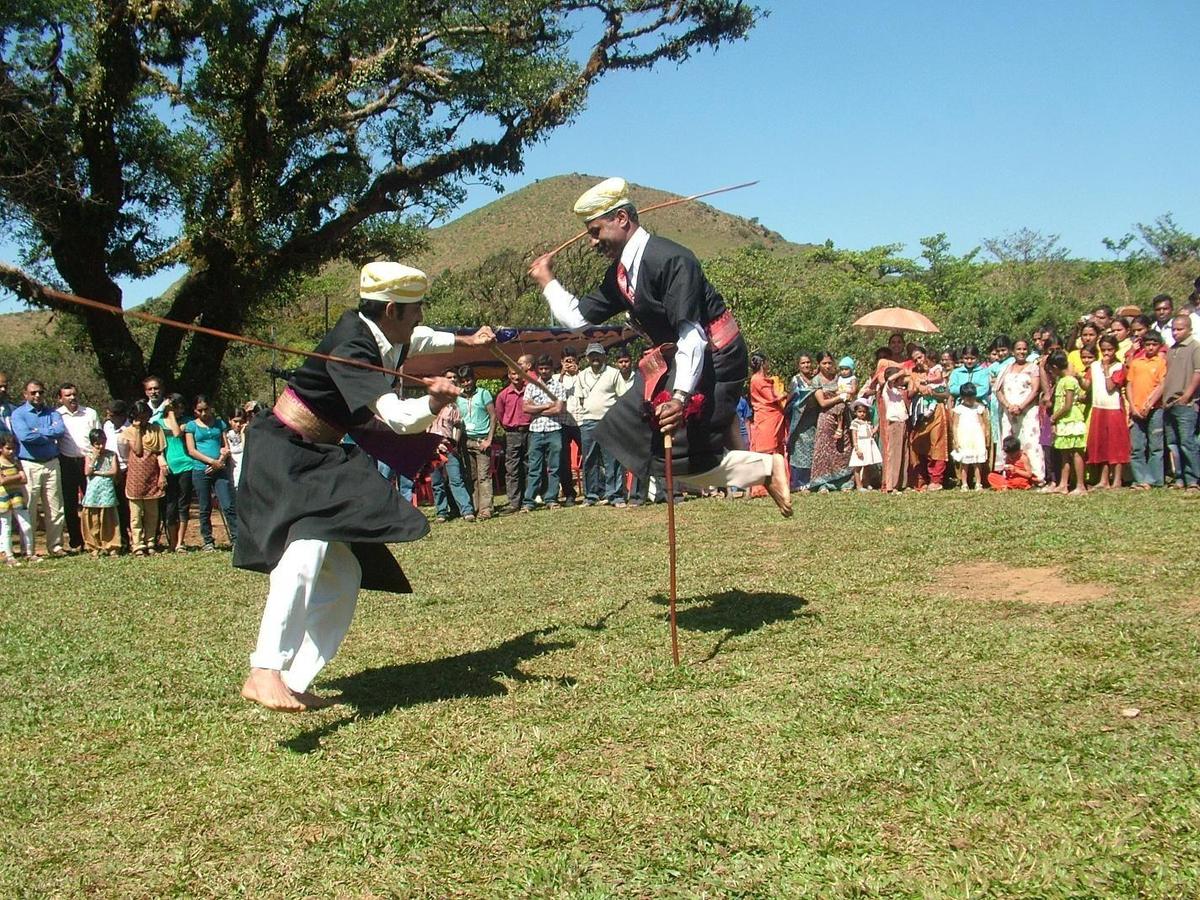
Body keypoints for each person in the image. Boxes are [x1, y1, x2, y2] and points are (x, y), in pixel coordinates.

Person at [238, 261, 489, 712]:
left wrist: (465, 339)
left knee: (345, 572)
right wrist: (432, 401)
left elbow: (424, 336)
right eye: (415, 310)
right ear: (392, 309)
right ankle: (264, 670)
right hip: (284, 449)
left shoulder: (386, 330)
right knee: (307, 547)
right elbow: (392, 414)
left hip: (319, 452)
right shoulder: (353, 345)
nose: (419, 318)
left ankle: (293, 681)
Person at [528, 177, 790, 514]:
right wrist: (548, 282)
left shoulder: (673, 260)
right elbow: (579, 318)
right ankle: (763, 470)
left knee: (684, 460)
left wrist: (679, 398)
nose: (593, 242)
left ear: (621, 219)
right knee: (624, 433)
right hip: (676, 359)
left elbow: (693, 335)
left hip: (715, 357)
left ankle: (768, 469)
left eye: (596, 231)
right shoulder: (620, 275)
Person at [10, 380, 67, 557]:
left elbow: (59, 431)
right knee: (29, 507)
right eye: (33, 392)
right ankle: (29, 549)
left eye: (40, 392)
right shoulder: (18, 414)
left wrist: (37, 431)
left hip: (51, 463)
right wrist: (46, 433)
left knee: (55, 506)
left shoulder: (52, 413)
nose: (37, 396)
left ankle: (55, 546)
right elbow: (24, 436)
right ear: (25, 394)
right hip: (29, 464)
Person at [183, 395, 236, 551]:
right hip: (201, 469)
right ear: (195, 411)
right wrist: (210, 462)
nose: (204, 413)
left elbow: (226, 446)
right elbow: (192, 450)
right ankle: (208, 541)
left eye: (206, 409)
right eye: (200, 410)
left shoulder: (219, 424)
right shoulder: (191, 426)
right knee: (204, 507)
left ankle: (236, 538)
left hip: (219, 469)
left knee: (228, 504)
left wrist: (219, 461)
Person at [576, 343, 626, 505]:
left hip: (609, 421)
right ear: (587, 358)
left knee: (612, 460)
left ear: (604, 356)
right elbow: (581, 399)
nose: (595, 358)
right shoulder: (581, 375)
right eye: (591, 355)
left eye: (598, 355)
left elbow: (623, 397)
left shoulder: (614, 373)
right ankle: (591, 495)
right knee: (590, 460)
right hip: (588, 421)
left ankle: (615, 495)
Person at [55, 383, 100, 552]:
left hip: (88, 461)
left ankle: (93, 539)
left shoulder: (90, 413)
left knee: (91, 502)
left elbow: (99, 437)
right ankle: (76, 541)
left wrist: (95, 460)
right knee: (70, 503)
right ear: (60, 398)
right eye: (67, 395)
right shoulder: (57, 415)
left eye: (74, 394)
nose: (72, 397)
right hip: (66, 462)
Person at [1083, 335, 1131, 489]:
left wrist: (1106, 370)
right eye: (1103, 349)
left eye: (1109, 349)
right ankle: (1103, 479)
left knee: (1116, 444)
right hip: (1099, 407)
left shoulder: (1119, 367)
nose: (1106, 353)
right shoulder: (1094, 366)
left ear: (1115, 349)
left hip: (1114, 409)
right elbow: (1087, 385)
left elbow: (1111, 387)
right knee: (1101, 443)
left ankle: (1117, 479)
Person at [120, 400, 167, 555]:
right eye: (139, 416)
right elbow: (138, 450)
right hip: (135, 476)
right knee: (135, 515)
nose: (143, 419)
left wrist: (162, 474)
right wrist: (138, 429)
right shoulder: (129, 431)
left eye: (145, 415)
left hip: (153, 474)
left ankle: (151, 542)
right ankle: (138, 545)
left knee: (152, 514)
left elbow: (160, 452)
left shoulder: (156, 429)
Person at [521, 354, 567, 512]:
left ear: (551, 369)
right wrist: (547, 406)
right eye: (541, 369)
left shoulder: (559, 386)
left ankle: (551, 498)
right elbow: (526, 408)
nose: (544, 371)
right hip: (536, 431)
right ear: (537, 370)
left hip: (554, 430)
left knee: (554, 467)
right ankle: (529, 501)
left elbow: (559, 409)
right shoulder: (531, 386)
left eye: (547, 368)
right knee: (534, 467)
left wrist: (537, 409)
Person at [429, 369, 475, 522]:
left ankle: (467, 511)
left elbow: (458, 426)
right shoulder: (429, 401)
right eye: (448, 377)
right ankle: (442, 512)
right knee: (437, 482)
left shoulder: (453, 406)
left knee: (456, 479)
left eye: (454, 377)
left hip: (449, 446)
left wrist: (455, 443)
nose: (452, 380)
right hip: (431, 448)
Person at [995, 339, 1044, 482]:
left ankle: (1035, 476)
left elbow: (1035, 390)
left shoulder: (1033, 368)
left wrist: (1021, 406)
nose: (1021, 352)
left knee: (1030, 441)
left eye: (1024, 349)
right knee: (1008, 440)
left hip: (1027, 411)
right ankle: (1010, 475)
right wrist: (1008, 405)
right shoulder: (1006, 368)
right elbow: (997, 390)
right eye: (1018, 349)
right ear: (1013, 351)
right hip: (1009, 412)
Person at [152, 394, 195, 552]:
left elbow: (176, 433)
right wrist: (161, 460)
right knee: (170, 506)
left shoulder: (187, 422)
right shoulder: (157, 423)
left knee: (183, 505)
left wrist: (171, 415)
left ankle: (180, 543)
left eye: (181, 407)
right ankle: (172, 541)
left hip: (186, 465)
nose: (179, 409)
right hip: (168, 468)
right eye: (176, 406)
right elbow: (157, 447)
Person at [1162, 314, 1200, 489]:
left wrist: (1187, 396)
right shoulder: (1172, 349)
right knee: (1173, 443)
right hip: (1169, 403)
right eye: (1174, 329)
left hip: (1186, 403)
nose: (1176, 333)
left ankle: (1193, 479)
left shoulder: (1195, 347)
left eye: (1180, 329)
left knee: (1187, 442)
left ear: (1189, 329)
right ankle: (1179, 477)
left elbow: (1197, 374)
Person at [1125, 330, 1167, 489]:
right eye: (1148, 344)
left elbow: (1162, 385)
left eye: (1154, 344)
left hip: (1155, 409)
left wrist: (1149, 404)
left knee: (1155, 445)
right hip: (1136, 410)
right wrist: (1133, 406)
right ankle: (1140, 478)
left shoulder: (1161, 363)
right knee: (1137, 446)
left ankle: (1155, 479)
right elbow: (1129, 384)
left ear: (1159, 346)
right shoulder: (1136, 362)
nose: (1150, 348)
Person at [906, 345, 950, 490]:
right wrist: (916, 388)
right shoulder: (913, 374)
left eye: (920, 357)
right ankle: (921, 478)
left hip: (937, 410)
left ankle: (936, 479)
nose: (918, 361)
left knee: (937, 444)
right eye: (915, 359)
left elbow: (946, 394)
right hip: (920, 414)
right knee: (918, 442)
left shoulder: (936, 371)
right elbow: (910, 394)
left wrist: (932, 393)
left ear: (926, 356)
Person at [455, 365, 496, 519]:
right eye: (463, 381)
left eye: (468, 379)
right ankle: (475, 506)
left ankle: (486, 509)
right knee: (470, 476)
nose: (466, 383)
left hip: (482, 440)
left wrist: (489, 439)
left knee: (484, 475)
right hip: (466, 441)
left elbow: (493, 416)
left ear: (474, 379)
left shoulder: (483, 394)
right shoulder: (458, 398)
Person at [1047, 350, 1087, 495]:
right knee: (1064, 453)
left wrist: (1053, 417)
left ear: (1055, 367)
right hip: (1063, 421)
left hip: (1072, 420)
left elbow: (1068, 405)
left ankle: (1080, 485)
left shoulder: (1069, 381)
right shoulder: (1061, 381)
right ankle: (1063, 484)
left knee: (1076, 452)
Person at [747, 353, 787, 499]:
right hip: (765, 419)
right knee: (765, 451)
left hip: (772, 418)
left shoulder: (763, 379)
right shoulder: (757, 380)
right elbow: (773, 396)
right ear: (763, 363)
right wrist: (788, 394)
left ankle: (778, 482)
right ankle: (762, 487)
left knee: (776, 449)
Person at [809, 352, 850, 488]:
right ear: (819, 364)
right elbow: (823, 403)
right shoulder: (816, 380)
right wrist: (839, 398)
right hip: (826, 418)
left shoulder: (838, 378)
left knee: (843, 449)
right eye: (824, 363)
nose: (827, 366)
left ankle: (844, 482)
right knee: (824, 451)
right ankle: (823, 484)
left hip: (841, 418)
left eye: (829, 363)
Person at [494, 363, 531, 512]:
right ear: (509, 375)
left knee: (529, 465)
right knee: (512, 468)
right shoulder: (503, 395)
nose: (516, 377)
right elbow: (499, 414)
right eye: (513, 374)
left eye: (519, 373)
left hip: (529, 430)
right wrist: (509, 426)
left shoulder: (530, 390)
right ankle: (514, 502)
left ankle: (529, 499)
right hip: (512, 432)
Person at [80, 428, 121, 557]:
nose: (101, 446)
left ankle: (111, 545)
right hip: (93, 492)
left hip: (107, 491)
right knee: (93, 520)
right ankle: (93, 546)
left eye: (103, 442)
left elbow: (114, 471)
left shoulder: (111, 454)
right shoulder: (89, 455)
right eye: (97, 444)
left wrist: (98, 473)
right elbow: (87, 472)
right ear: (92, 443)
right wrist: (95, 458)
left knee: (109, 519)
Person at [0, 434, 35, 565]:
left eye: (13, 448)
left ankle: (29, 553)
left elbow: (24, 479)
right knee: (6, 526)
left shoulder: (16, 461)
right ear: (1, 448)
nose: (11, 451)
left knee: (26, 525)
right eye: (8, 448)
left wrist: (11, 478)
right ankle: (9, 556)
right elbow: (2, 481)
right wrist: (17, 477)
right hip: (3, 497)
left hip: (17, 496)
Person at [786, 354, 819, 489]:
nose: (806, 365)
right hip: (799, 421)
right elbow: (791, 400)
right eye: (803, 363)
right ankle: (799, 483)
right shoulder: (796, 380)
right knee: (799, 451)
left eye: (808, 362)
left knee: (812, 449)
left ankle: (811, 481)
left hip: (812, 419)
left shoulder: (815, 380)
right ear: (798, 366)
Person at [950, 381, 987, 490]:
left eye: (972, 397)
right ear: (962, 397)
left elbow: (982, 423)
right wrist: (956, 439)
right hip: (964, 437)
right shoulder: (959, 409)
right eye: (967, 398)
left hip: (976, 436)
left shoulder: (979, 407)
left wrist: (984, 437)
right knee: (964, 462)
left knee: (977, 462)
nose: (970, 400)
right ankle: (964, 483)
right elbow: (955, 425)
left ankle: (978, 483)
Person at [557, 347, 582, 505]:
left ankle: (594, 489)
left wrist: (577, 373)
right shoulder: (556, 378)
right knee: (563, 460)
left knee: (591, 455)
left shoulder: (583, 375)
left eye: (572, 360)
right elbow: (552, 390)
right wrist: (561, 373)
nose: (569, 363)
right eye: (566, 360)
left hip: (581, 421)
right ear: (561, 362)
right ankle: (569, 493)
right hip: (563, 422)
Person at [878, 366, 909, 492]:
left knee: (903, 454)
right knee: (894, 454)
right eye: (900, 378)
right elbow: (889, 380)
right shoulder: (888, 389)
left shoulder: (898, 391)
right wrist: (901, 371)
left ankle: (902, 483)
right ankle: (892, 484)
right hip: (895, 423)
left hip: (903, 422)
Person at [848, 399, 881, 490]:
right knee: (858, 466)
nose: (862, 414)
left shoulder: (868, 422)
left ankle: (866, 482)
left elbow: (871, 433)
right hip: (860, 444)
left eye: (864, 412)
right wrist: (856, 448)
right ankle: (859, 485)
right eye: (859, 412)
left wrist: (877, 426)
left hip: (868, 444)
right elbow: (854, 435)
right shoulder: (855, 423)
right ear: (855, 412)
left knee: (867, 465)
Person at [226, 409, 247, 489]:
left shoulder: (246, 435)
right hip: (231, 476)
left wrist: (243, 434)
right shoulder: (226, 436)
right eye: (235, 421)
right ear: (229, 420)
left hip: (244, 478)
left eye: (241, 422)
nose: (238, 424)